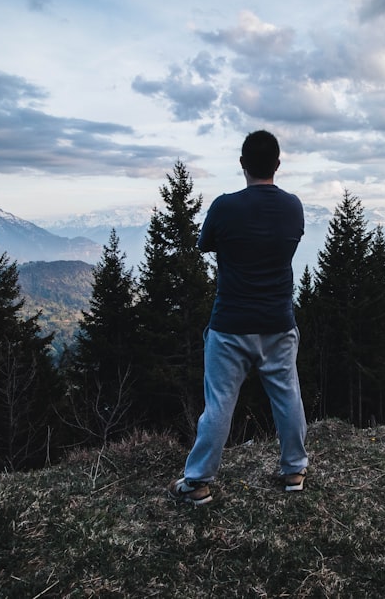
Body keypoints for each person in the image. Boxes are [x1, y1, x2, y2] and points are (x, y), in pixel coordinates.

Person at [168, 130, 309, 505]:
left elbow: (205, 244)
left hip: (230, 324)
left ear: (242, 164)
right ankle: (294, 471)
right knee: (287, 396)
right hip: (278, 322)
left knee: (219, 406)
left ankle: (197, 482)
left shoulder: (225, 207)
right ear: (277, 165)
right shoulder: (293, 207)